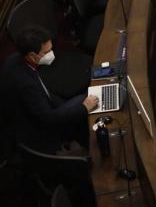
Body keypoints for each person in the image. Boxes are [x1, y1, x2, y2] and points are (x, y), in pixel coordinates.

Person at [0, 26, 99, 154]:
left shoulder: (15, 58)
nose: (51, 54)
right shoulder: (25, 83)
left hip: (38, 109)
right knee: (84, 102)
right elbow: (49, 118)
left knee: (84, 100)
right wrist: (84, 108)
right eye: (47, 52)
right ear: (32, 55)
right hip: (37, 130)